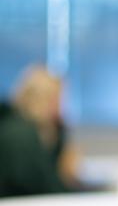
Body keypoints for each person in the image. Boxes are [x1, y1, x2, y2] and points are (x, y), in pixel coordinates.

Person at [0, 65, 79, 197]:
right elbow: (46, 188)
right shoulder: (19, 135)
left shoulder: (43, 131)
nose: (61, 105)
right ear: (44, 99)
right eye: (58, 99)